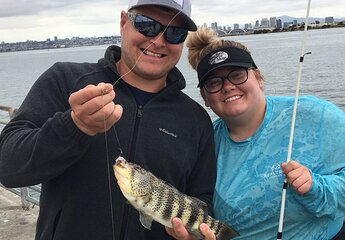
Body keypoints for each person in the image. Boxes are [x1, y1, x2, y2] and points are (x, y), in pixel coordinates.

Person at [0, 1, 217, 239]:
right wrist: (74, 126)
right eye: (147, 25)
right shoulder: (65, 80)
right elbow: (7, 166)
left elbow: (201, 202)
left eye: (175, 33)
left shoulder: (196, 120)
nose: (158, 40)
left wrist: (194, 234)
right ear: (123, 23)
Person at [168, 27, 345, 240]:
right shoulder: (206, 144)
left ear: (258, 77)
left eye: (237, 74)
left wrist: (318, 189)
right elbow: (200, 206)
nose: (228, 86)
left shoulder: (311, 114)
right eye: (214, 82)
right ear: (205, 97)